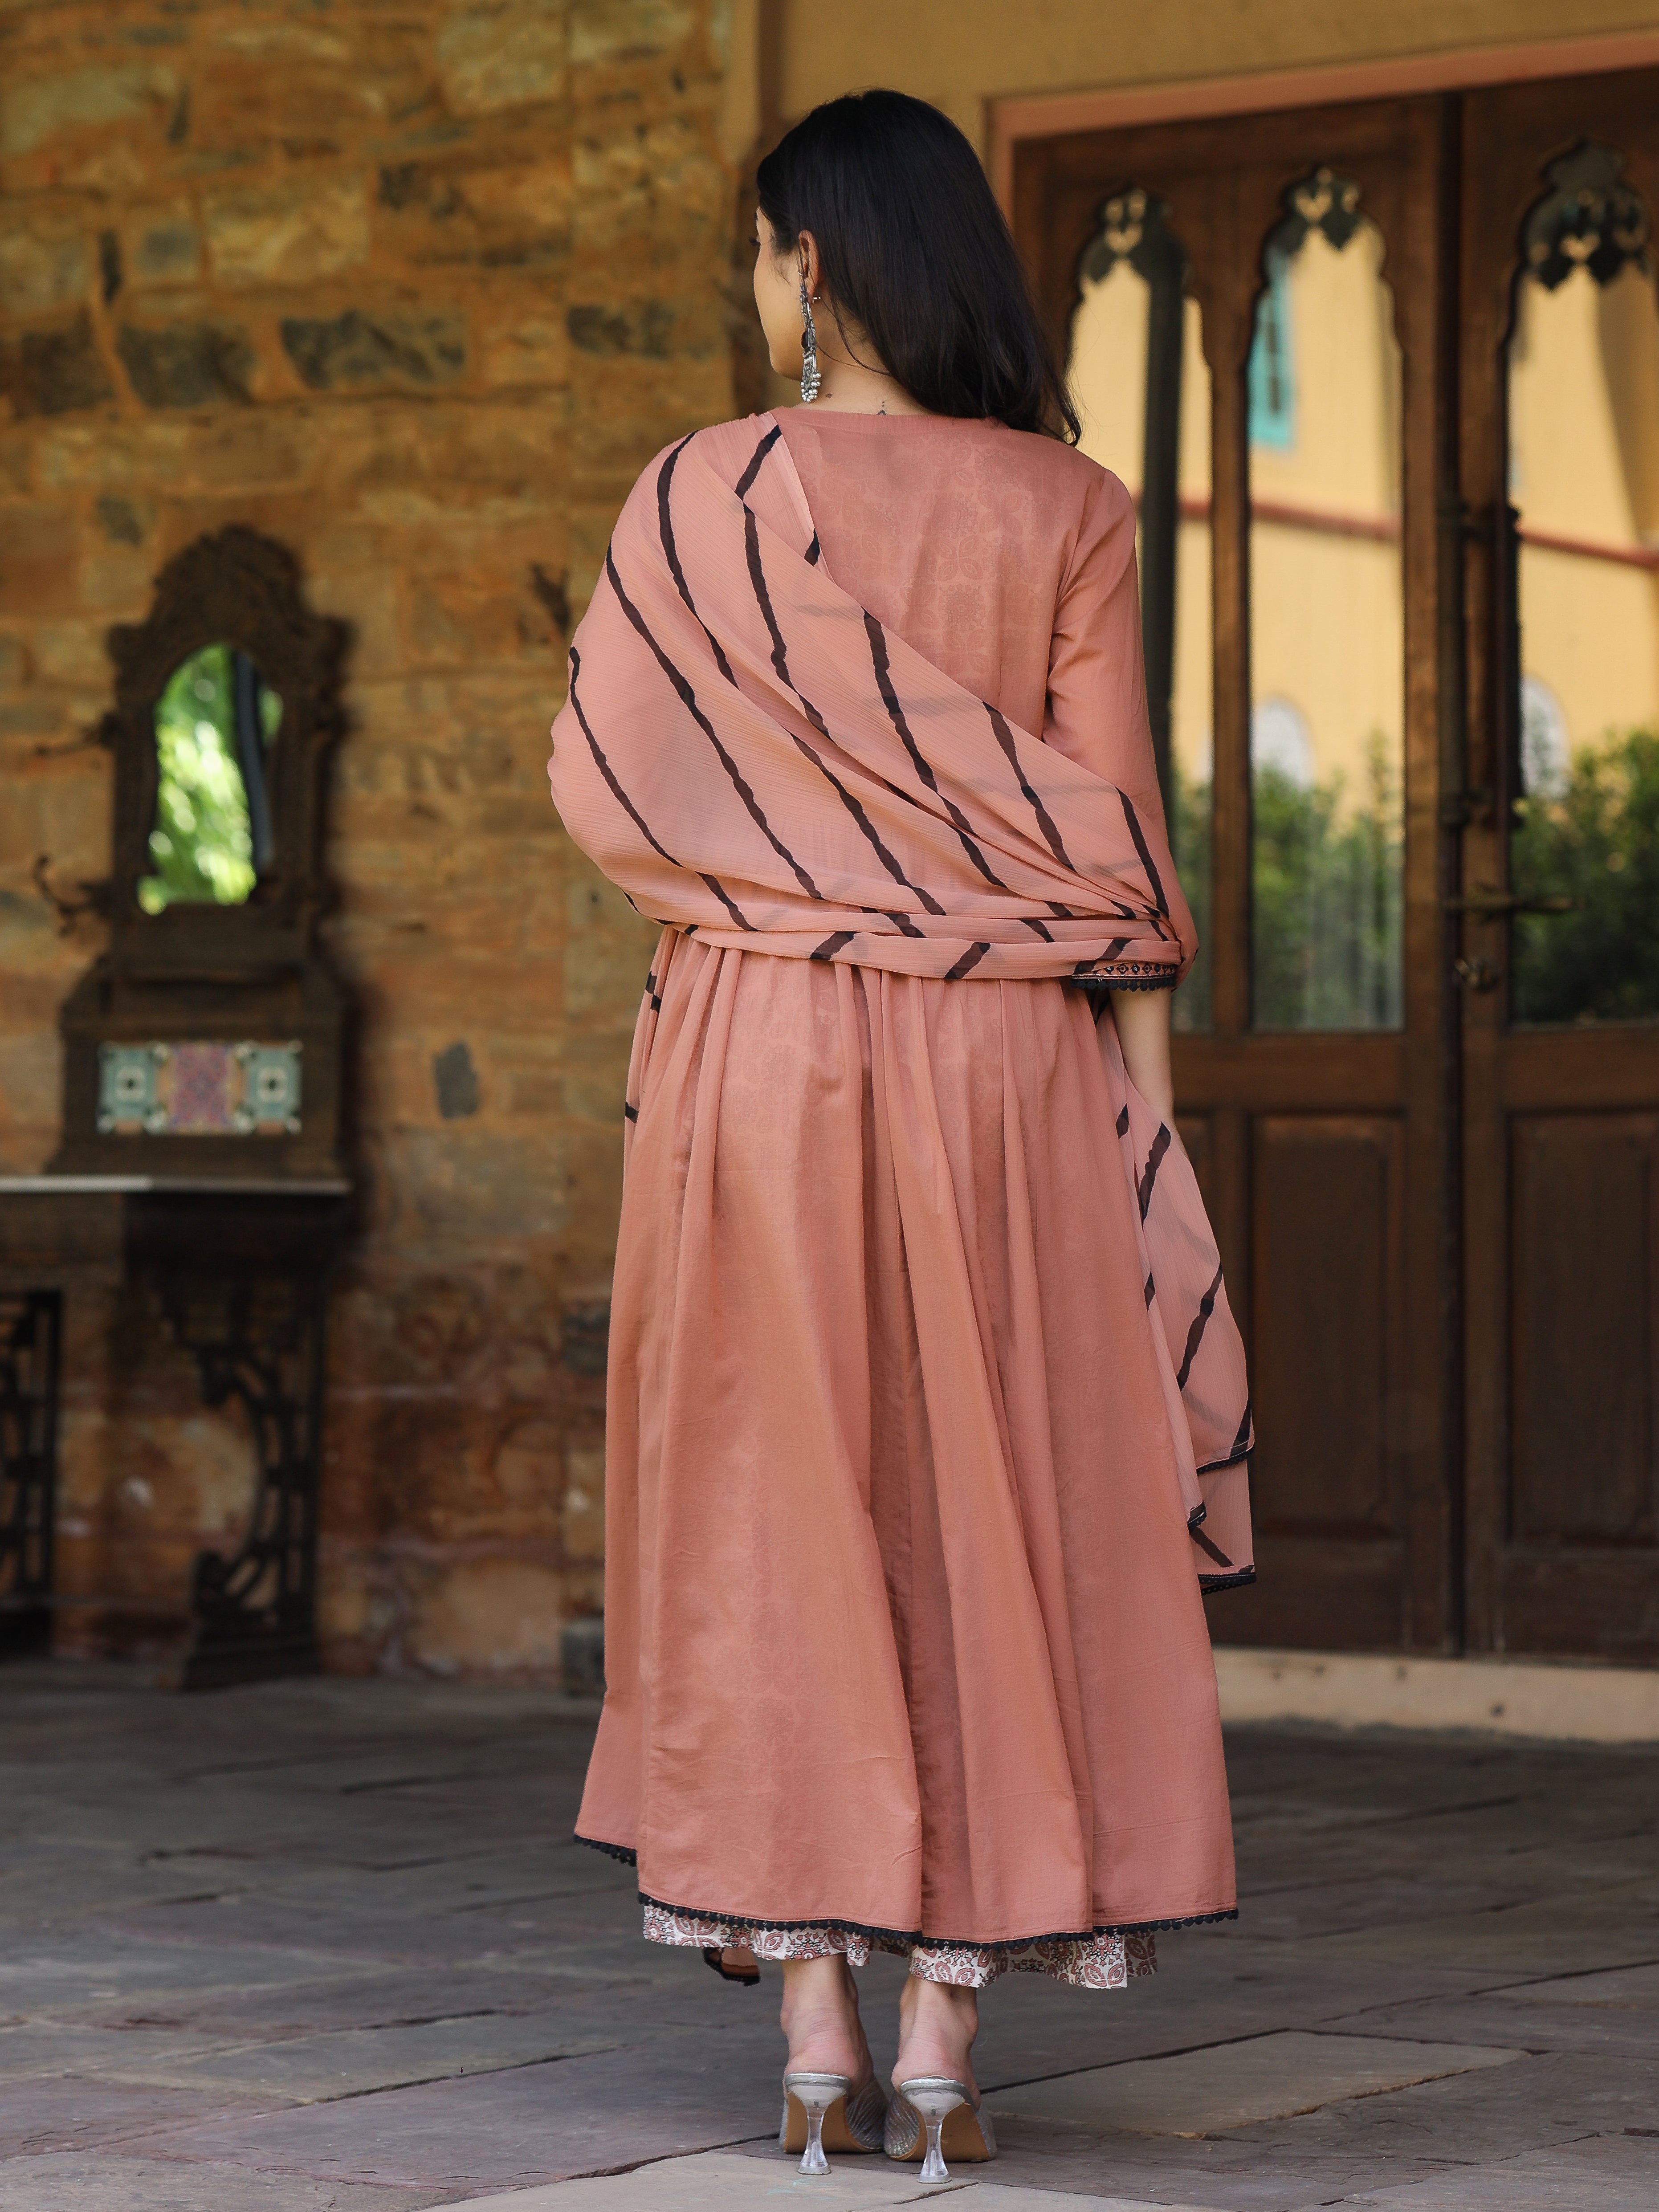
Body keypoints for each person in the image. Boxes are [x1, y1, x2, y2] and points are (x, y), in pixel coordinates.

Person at [547, 88, 1254, 2182]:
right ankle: (947, 2037)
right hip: (1002, 1068)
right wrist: (1153, 1151)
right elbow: (1116, 869)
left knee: (773, 1509)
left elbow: (612, 796)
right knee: (1000, 1500)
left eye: (759, 247)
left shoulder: (692, 500)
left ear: (807, 266)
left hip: (755, 1061)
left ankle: (812, 2031)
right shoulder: (1069, 509)